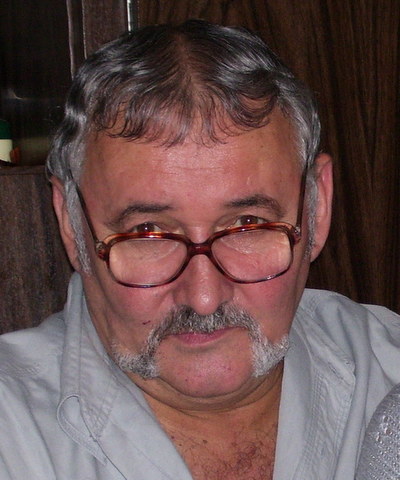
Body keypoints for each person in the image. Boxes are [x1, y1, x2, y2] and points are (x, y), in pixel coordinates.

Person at [0, 19, 399, 480]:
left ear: (318, 206)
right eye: (147, 232)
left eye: (247, 224)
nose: (204, 297)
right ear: (72, 225)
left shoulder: (389, 379)